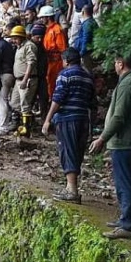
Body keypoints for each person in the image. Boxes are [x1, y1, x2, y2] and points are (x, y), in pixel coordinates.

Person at [89, 50, 131, 240]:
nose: (114, 65)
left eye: (115, 62)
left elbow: (119, 116)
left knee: (126, 183)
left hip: (125, 142)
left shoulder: (129, 83)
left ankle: (129, 224)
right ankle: (129, 221)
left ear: (121, 63)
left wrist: (102, 138)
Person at [42, 48, 96, 204]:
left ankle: (72, 190)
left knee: (67, 150)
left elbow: (57, 99)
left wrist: (48, 119)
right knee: (77, 152)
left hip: (67, 118)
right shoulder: (88, 77)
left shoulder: (65, 75)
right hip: (83, 119)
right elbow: (93, 103)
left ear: (65, 61)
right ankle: (70, 186)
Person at [8, 26, 38, 137]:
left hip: (27, 79)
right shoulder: (19, 47)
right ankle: (19, 124)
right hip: (18, 80)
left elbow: (31, 62)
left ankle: (26, 129)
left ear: (21, 37)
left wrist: (25, 79)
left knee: (25, 103)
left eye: (15, 38)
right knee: (14, 103)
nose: (13, 40)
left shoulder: (29, 46)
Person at [38, 5, 68, 100]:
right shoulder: (47, 29)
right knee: (49, 81)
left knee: (53, 81)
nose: (41, 19)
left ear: (48, 17)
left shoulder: (57, 30)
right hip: (49, 60)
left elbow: (62, 48)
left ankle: (54, 101)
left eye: (43, 17)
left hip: (56, 61)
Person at [30, 23, 50, 121]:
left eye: (41, 37)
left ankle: (44, 120)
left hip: (42, 77)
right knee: (30, 100)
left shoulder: (42, 47)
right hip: (33, 77)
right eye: (37, 37)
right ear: (32, 36)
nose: (40, 40)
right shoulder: (30, 47)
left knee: (44, 99)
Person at [73, 5, 97, 72]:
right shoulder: (92, 22)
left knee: (88, 70)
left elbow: (86, 39)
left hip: (87, 52)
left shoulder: (87, 24)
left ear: (83, 12)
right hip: (90, 50)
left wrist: (82, 52)